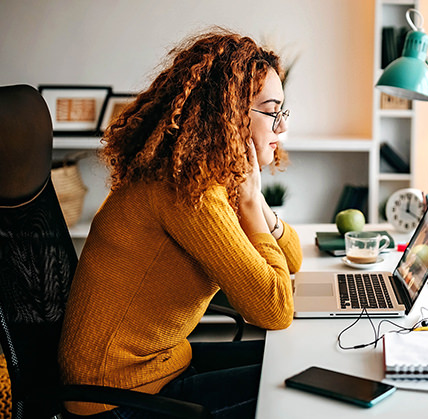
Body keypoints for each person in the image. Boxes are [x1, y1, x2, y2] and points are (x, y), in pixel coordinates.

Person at [58, 28, 302, 418]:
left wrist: (257, 207)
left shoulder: (209, 179)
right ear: (230, 114)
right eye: (273, 111)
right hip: (116, 399)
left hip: (158, 369)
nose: (283, 126)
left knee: (296, 364)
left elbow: (292, 261)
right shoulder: (188, 191)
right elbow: (274, 308)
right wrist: (253, 203)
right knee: (299, 392)